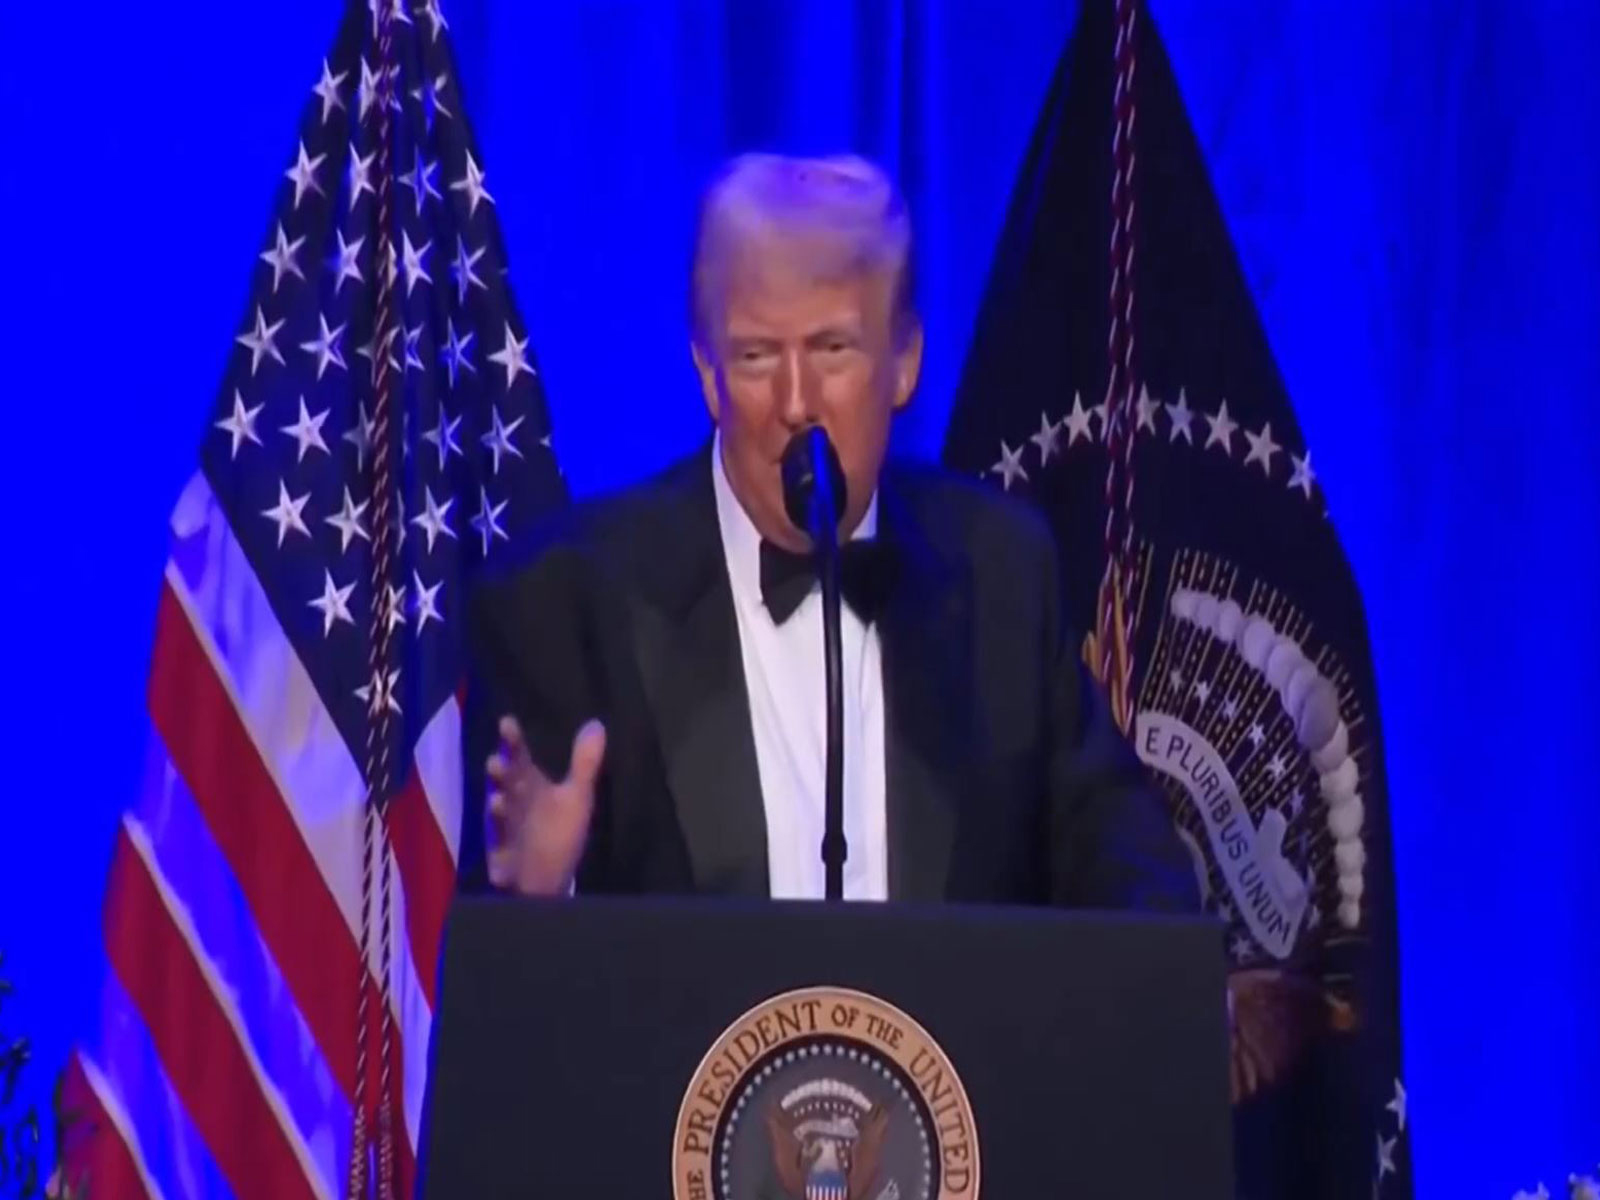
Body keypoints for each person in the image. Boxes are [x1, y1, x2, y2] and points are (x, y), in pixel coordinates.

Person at [462, 152, 1197, 911]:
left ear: (905, 362)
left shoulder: (1001, 573)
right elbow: (504, 988)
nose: (796, 402)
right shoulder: (564, 600)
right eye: (755, 357)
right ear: (708, 373)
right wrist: (543, 902)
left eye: (832, 350)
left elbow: (1140, 894)